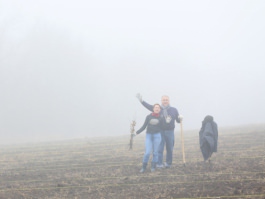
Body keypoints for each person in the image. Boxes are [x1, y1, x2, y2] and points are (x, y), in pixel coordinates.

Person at [136, 94, 183, 168]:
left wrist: (180, 119)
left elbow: (178, 121)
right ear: (161, 101)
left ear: (169, 101)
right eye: (163, 100)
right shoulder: (157, 108)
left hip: (170, 131)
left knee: (170, 148)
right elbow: (148, 106)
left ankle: (168, 164)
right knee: (159, 148)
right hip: (160, 131)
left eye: (166, 100)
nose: (165, 101)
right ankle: (159, 164)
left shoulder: (174, 110)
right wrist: (142, 101)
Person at [135, 104, 163, 173]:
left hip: (157, 136)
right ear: (153, 109)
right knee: (147, 152)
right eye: (156, 107)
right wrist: (136, 132)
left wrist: (169, 122)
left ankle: (153, 167)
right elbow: (144, 126)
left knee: (155, 152)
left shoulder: (161, 117)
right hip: (149, 136)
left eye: (158, 108)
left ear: (160, 110)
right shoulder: (148, 117)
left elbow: (164, 127)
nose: (157, 109)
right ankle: (143, 167)